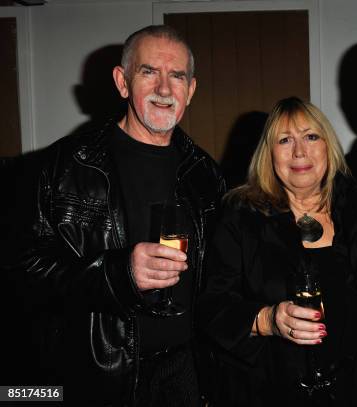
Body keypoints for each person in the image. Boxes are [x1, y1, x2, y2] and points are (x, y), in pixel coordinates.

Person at [19, 25, 225, 406]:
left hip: (187, 374)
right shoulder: (63, 168)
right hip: (98, 377)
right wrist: (117, 273)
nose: (165, 89)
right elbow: (23, 276)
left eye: (176, 76)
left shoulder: (206, 175)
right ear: (123, 81)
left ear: (191, 90)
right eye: (149, 72)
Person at [198, 97, 357, 406]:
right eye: (285, 140)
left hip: (352, 389)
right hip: (267, 392)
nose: (299, 151)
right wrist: (267, 320)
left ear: (329, 145)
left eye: (311, 136)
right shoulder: (241, 216)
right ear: (269, 154)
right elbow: (211, 306)